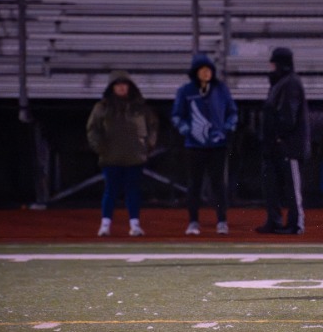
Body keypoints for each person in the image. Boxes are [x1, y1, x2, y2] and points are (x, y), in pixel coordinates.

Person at [171, 53, 238, 236]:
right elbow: (177, 115)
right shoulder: (186, 91)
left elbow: (232, 112)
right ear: (195, 72)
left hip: (217, 145)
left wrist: (227, 128)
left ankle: (222, 221)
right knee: (194, 184)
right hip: (194, 146)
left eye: (209, 70)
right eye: (202, 70)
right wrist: (186, 129)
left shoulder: (221, 89)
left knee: (218, 184)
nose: (206, 73)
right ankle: (193, 222)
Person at [87, 70, 158, 237]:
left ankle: (135, 224)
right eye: (118, 84)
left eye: (124, 84)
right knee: (110, 190)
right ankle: (105, 225)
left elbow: (152, 126)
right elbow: (93, 129)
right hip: (111, 157)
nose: (121, 88)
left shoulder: (140, 108)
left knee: (133, 191)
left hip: (135, 157)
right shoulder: (102, 107)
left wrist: (147, 145)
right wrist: (100, 147)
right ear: (112, 87)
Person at [255, 47, 311, 235]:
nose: (271, 66)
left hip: (288, 146)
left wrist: (279, 136)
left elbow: (288, 115)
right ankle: (275, 220)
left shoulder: (289, 83)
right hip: (277, 144)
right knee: (273, 184)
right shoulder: (281, 83)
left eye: (274, 63)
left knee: (291, 187)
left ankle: (296, 224)